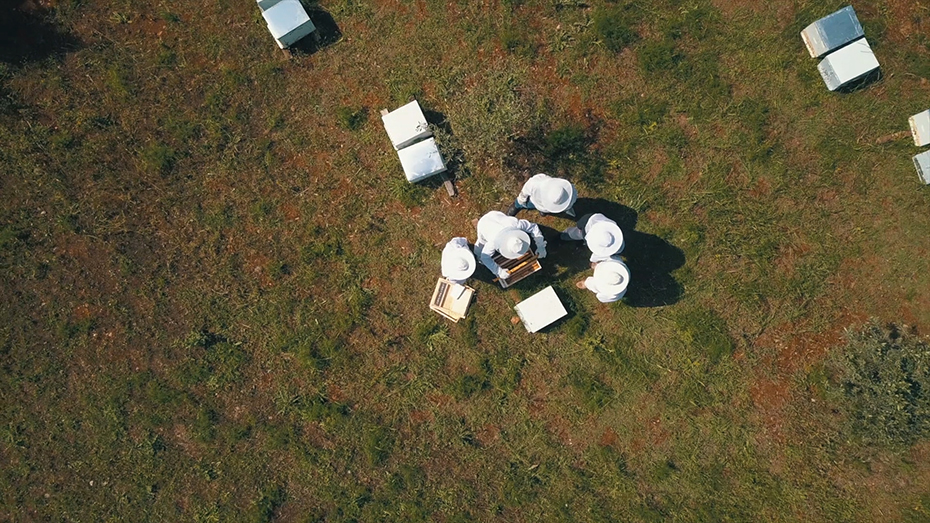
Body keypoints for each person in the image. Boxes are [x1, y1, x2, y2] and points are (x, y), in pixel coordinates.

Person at [474, 210, 547, 280]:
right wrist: (498, 271)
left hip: (496, 215)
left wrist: (540, 245)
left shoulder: (516, 225)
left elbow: (533, 227)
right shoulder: (493, 242)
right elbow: (485, 256)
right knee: (480, 245)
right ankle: (477, 256)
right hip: (483, 225)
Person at [559, 213, 624, 263]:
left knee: (576, 232)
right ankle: (564, 235)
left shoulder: (609, 224)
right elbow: (594, 258)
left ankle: (564, 236)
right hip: (584, 227)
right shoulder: (618, 246)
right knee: (574, 233)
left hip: (589, 220)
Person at [507, 173, 577, 217]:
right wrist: (521, 201)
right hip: (534, 202)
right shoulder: (536, 183)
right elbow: (525, 190)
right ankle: (517, 206)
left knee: (544, 210)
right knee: (521, 204)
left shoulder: (571, 192)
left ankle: (543, 211)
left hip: (545, 207)